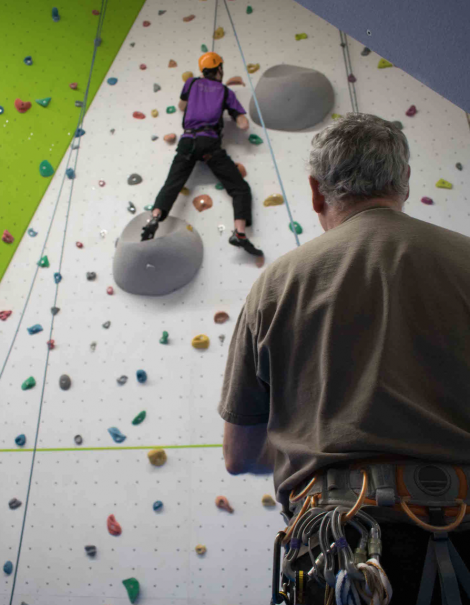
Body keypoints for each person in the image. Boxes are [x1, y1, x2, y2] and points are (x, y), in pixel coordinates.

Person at [218, 113, 470, 604]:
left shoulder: (278, 283)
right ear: (404, 184)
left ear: (316, 192)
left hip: (342, 548)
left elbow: (238, 455)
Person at [148, 52, 263, 257]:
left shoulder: (191, 83)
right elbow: (243, 124)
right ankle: (240, 233)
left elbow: (181, 106)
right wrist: (238, 121)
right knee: (239, 188)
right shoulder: (225, 91)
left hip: (187, 141)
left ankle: (155, 217)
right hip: (208, 144)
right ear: (219, 69)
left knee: (172, 183)